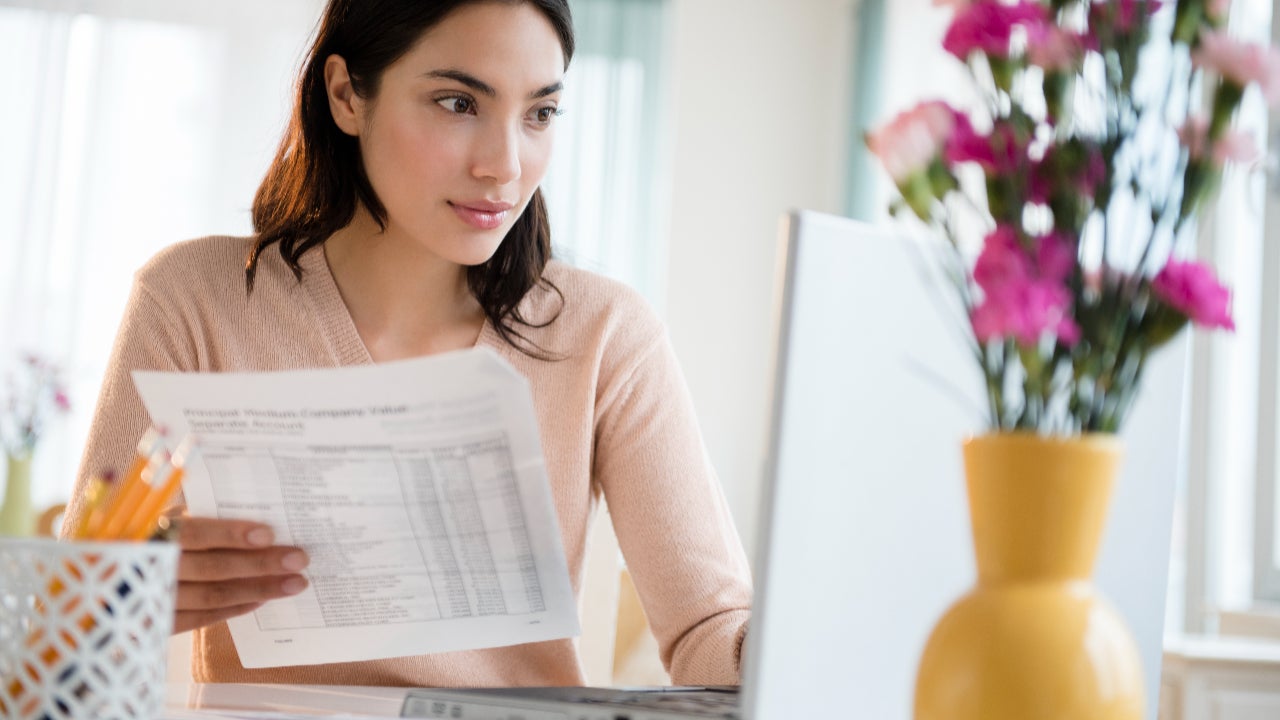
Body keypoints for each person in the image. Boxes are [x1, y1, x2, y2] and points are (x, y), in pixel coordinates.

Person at [63, 0, 751, 688]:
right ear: (345, 95)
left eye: (540, 113)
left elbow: (709, 637)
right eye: (458, 102)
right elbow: (62, 635)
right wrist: (121, 602)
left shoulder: (606, 334)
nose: (505, 166)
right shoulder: (193, 300)